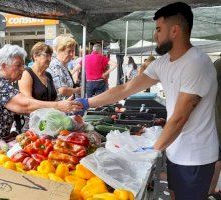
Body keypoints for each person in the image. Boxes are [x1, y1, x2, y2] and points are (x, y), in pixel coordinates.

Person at [76, 2, 218, 200]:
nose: (155, 35)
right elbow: (125, 88)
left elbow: (180, 117)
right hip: (176, 150)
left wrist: (152, 151)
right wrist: (87, 103)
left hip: (195, 156)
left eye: (159, 29)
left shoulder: (197, 64)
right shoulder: (163, 63)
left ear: (175, 30)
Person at [0, 44, 82, 154]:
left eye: (23, 64)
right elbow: (24, 106)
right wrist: (58, 106)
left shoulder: (6, 81)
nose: (23, 68)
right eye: (18, 65)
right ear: (4, 66)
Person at [208, 54, 221, 198]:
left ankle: (210, 191)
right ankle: (210, 191)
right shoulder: (218, 65)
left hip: (218, 121)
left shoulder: (217, 64)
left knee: (218, 159)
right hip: (218, 120)